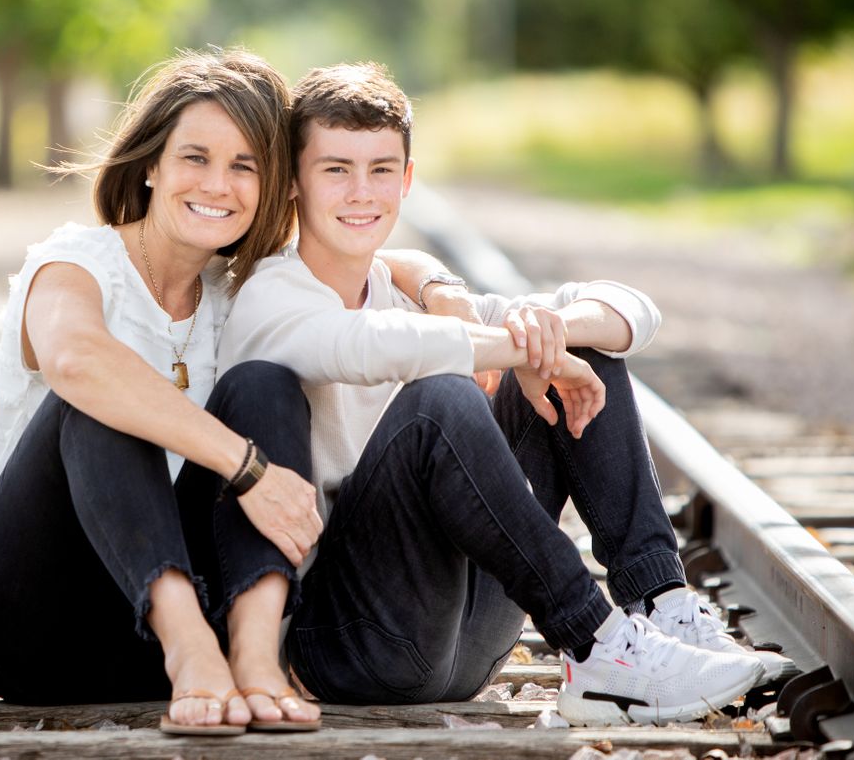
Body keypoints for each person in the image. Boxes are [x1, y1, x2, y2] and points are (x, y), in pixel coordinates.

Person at [218, 62, 791, 726]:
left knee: (573, 349)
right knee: (443, 400)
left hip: (466, 643)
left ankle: (661, 605)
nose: (361, 192)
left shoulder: (410, 289)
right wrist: (516, 344)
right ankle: (597, 641)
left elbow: (633, 313)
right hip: (350, 642)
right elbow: (371, 345)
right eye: (335, 169)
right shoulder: (269, 295)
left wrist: (551, 335)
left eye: (381, 170)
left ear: (407, 180)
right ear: (293, 182)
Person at [0, 49, 327, 735]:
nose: (217, 184)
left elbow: (365, 266)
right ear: (151, 165)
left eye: (244, 166)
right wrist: (246, 466)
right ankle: (194, 645)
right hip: (16, 616)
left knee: (266, 383)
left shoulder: (239, 300)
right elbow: (77, 359)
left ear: (270, 187)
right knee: (97, 396)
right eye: (195, 157)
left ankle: (254, 655)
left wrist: (435, 286)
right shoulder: (78, 262)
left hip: (135, 646)